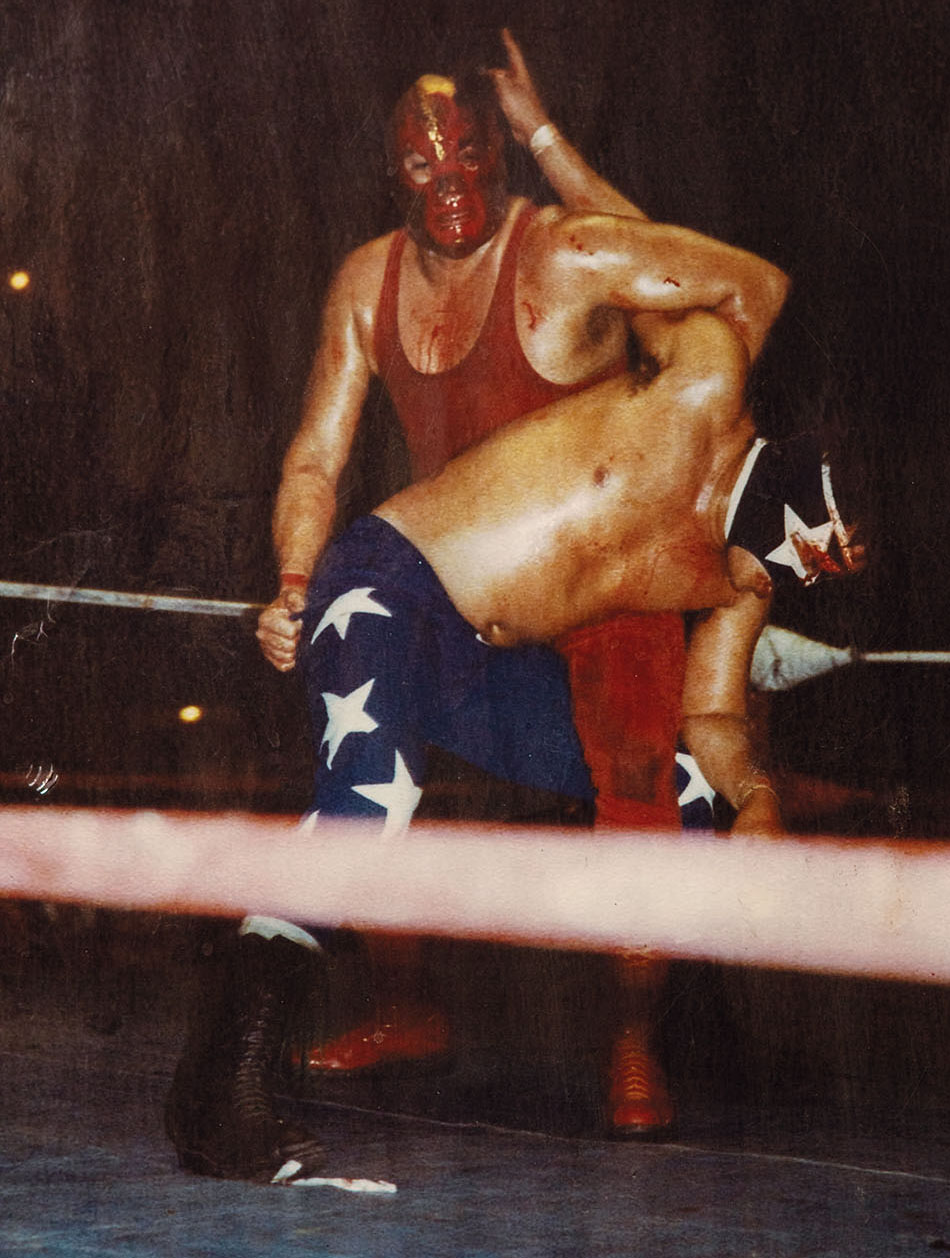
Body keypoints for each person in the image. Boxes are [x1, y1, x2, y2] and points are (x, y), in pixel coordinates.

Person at [166, 299, 865, 1183]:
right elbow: (678, 281)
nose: (799, 577)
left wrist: (757, 799)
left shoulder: (739, 583)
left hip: (483, 667)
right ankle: (217, 1086)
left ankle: (665, 1029)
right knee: (372, 795)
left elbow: (714, 718)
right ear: (794, 492)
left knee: (685, 789)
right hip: (394, 586)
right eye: (815, 552)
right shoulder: (675, 423)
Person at [253, 31, 789, 1136]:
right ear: (388, 169)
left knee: (644, 772)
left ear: (498, 161)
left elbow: (705, 281)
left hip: (607, 580)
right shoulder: (366, 281)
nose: (449, 186)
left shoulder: (560, 253)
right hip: (457, 579)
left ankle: (635, 1042)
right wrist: (295, 580)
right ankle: (406, 1007)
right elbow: (317, 452)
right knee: (363, 730)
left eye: (470, 162)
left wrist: (550, 138)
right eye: (422, 167)